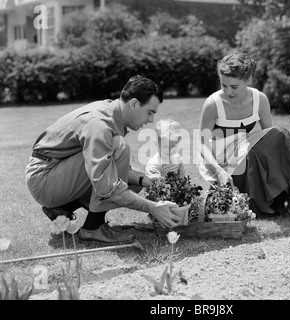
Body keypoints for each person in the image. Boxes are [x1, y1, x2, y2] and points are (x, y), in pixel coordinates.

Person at [25, 75, 182, 244]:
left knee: (133, 181)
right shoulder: (99, 124)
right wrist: (153, 208)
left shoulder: (112, 113)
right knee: (119, 149)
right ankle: (93, 229)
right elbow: (108, 187)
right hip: (44, 178)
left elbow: (115, 173)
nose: (151, 120)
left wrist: (146, 180)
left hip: (56, 173)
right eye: (150, 112)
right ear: (134, 104)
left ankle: (64, 208)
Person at [197, 53, 290, 216]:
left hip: (245, 150)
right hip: (221, 159)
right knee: (250, 155)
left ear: (249, 80)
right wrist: (219, 171)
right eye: (223, 85)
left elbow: (270, 139)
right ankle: (259, 203)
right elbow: (202, 144)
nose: (227, 92)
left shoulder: (260, 99)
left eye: (234, 87)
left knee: (279, 134)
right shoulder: (213, 104)